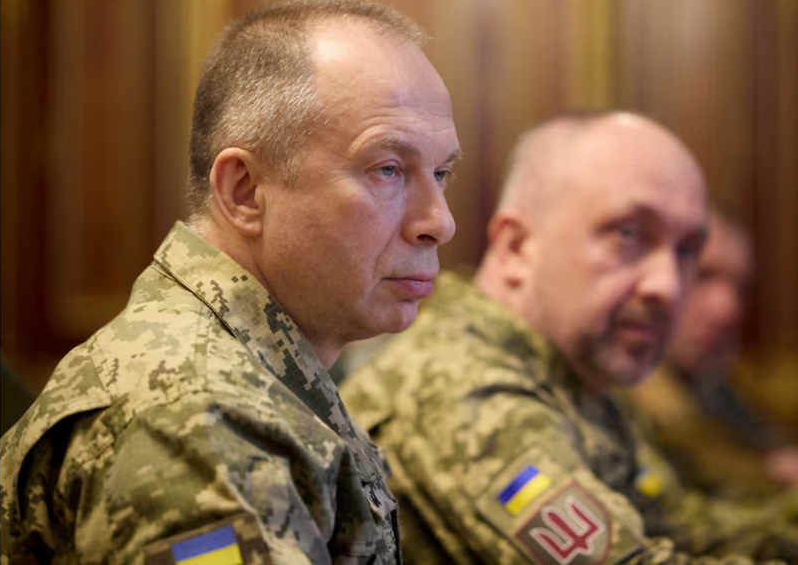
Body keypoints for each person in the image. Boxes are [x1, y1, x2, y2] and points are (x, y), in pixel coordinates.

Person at [0, 0, 459, 564]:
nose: (440, 222)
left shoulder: (253, 371)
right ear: (244, 192)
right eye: (387, 169)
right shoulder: (191, 415)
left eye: (442, 173)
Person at [341, 111, 798, 564]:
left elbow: (687, 529)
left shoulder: (575, 373)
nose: (669, 285)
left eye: (686, 251)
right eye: (628, 233)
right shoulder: (465, 389)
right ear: (518, 246)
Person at [627, 212, 798, 496]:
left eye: (741, 288)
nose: (728, 309)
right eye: (702, 276)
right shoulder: (620, 390)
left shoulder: (713, 378)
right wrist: (771, 474)